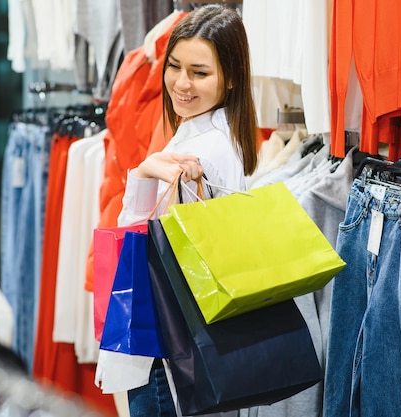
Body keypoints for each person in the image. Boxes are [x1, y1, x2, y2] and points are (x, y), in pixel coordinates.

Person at [114, 4, 259, 416]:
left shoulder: (200, 148)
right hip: (190, 347)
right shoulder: (220, 133)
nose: (181, 83)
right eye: (174, 66)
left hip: (170, 350)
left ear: (230, 78)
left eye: (199, 73)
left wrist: (141, 173)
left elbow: (139, 243)